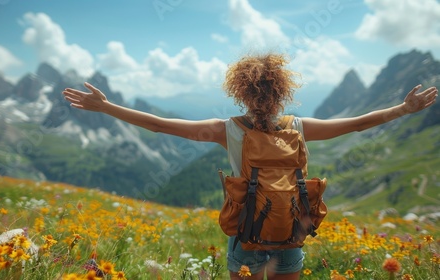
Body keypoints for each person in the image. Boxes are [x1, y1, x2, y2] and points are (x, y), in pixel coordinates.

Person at [62, 53, 437, 280]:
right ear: (282, 92)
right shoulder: (300, 128)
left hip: (246, 231)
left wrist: (106, 107)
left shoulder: (226, 130)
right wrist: (403, 110)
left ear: (240, 91)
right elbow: (358, 123)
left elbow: (159, 125)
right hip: (291, 227)